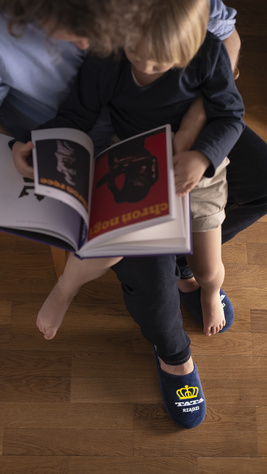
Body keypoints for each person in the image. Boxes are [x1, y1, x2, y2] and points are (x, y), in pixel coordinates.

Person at [2, 0, 267, 429]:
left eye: (158, 63)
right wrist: (31, 141)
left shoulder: (204, 53)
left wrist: (201, 153)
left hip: (197, 166)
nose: (143, 65)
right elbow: (77, 111)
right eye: (135, 54)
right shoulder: (108, 54)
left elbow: (230, 113)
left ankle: (197, 284)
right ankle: (80, 296)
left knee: (208, 263)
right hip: (133, 156)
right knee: (120, 235)